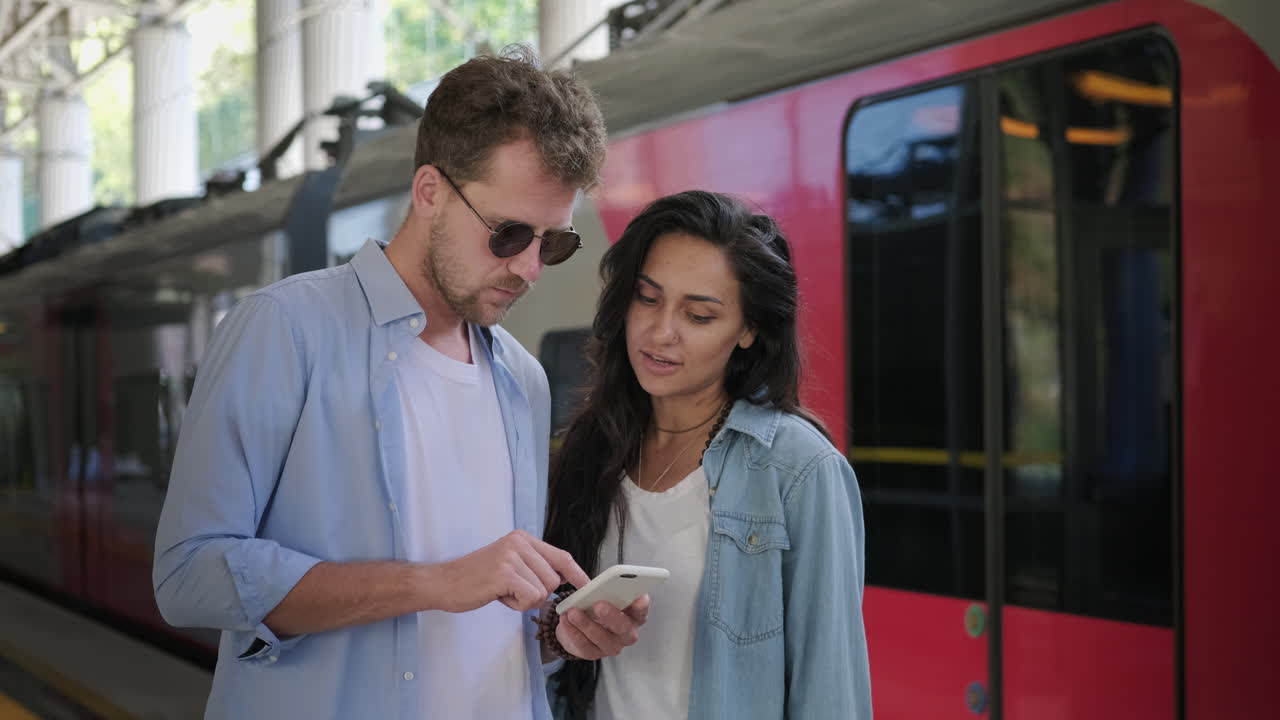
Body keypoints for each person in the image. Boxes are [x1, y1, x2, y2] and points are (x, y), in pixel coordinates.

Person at [153, 47, 646, 720]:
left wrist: (562, 631)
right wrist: (436, 583)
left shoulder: (521, 382)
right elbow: (188, 575)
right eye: (508, 234)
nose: (530, 268)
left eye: (552, 244)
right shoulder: (284, 329)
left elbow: (483, 622)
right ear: (429, 192)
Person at [543, 191, 872, 719]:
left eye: (698, 315)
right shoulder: (592, 446)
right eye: (648, 298)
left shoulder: (798, 470)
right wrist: (563, 636)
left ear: (748, 330)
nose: (660, 331)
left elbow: (831, 693)